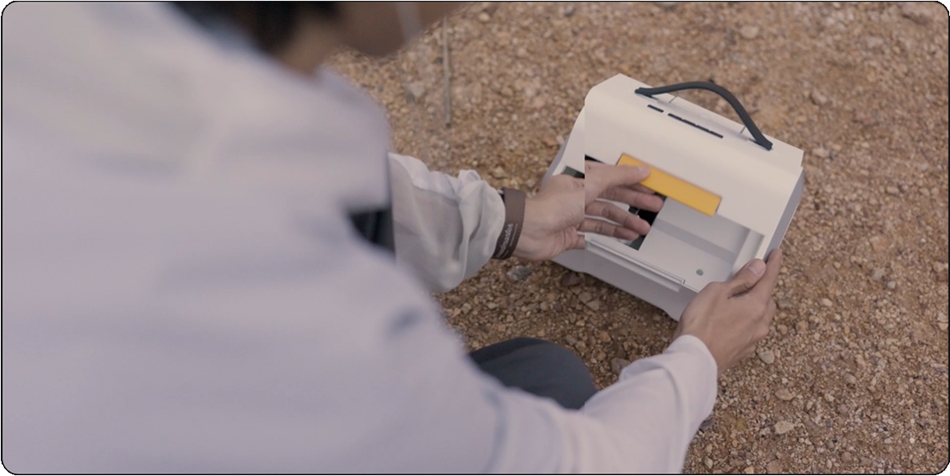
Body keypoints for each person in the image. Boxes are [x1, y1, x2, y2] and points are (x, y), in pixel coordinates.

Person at [1, 2, 781, 473]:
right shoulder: (310, 325)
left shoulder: (59, 37)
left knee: (546, 373)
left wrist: (509, 218)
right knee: (565, 402)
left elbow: (333, 192)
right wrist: (695, 361)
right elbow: (575, 464)